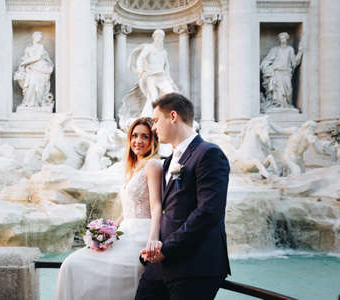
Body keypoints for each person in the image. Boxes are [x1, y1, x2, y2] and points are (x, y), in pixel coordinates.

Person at [135, 93, 231, 300]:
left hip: (195, 267)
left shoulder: (209, 153)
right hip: (160, 265)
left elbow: (208, 212)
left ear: (173, 116)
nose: (153, 128)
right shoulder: (169, 161)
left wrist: (167, 249)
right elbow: (166, 208)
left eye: (156, 120)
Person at [55, 117, 163, 300]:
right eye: (135, 136)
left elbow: (156, 204)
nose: (138, 141)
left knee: (78, 265)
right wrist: (108, 229)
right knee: (71, 263)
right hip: (125, 231)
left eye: (145, 136)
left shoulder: (153, 165)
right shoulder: (134, 168)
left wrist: (152, 239)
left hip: (141, 233)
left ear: (153, 141)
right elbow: (129, 210)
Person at [128, 29, 179, 117]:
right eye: (158, 37)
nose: (160, 39)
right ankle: (152, 117)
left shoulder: (163, 52)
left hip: (161, 76)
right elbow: (141, 58)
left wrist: (169, 78)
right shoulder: (149, 48)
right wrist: (141, 70)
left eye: (161, 37)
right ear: (154, 38)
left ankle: (166, 115)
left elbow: (166, 66)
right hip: (150, 76)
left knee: (171, 94)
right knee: (153, 97)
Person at [260, 32, 303, 109]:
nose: (282, 39)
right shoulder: (275, 49)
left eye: (284, 38)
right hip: (276, 72)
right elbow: (267, 60)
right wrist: (267, 67)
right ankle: (277, 105)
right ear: (279, 39)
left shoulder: (290, 49)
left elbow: (294, 62)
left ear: (287, 38)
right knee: (277, 90)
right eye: (281, 38)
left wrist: (300, 52)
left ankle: (286, 105)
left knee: (288, 89)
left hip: (286, 72)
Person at [14, 31, 54, 108]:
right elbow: (25, 58)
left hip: (40, 68)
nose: (40, 38)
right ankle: (29, 103)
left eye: (40, 37)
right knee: (31, 85)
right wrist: (22, 64)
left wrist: (24, 62)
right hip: (31, 69)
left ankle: (38, 103)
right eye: (38, 36)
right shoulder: (28, 48)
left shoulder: (40, 47)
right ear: (34, 37)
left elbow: (37, 57)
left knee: (39, 87)